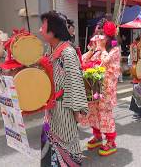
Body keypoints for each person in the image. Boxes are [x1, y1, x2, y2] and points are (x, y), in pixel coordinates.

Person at [39, 11, 88, 166]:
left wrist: (76, 111)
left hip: (64, 107)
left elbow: (75, 81)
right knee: (49, 144)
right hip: (51, 108)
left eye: (43, 26)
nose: (40, 29)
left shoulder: (67, 52)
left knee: (67, 142)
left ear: (52, 30)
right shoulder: (50, 50)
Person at [79, 19, 120, 156]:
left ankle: (110, 141)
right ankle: (97, 136)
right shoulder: (96, 50)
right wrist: (92, 50)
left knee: (105, 114)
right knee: (93, 111)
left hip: (106, 89)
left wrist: (102, 49)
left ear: (108, 36)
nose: (98, 37)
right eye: (97, 34)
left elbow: (105, 62)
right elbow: (83, 60)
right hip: (94, 88)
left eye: (102, 34)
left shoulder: (114, 50)